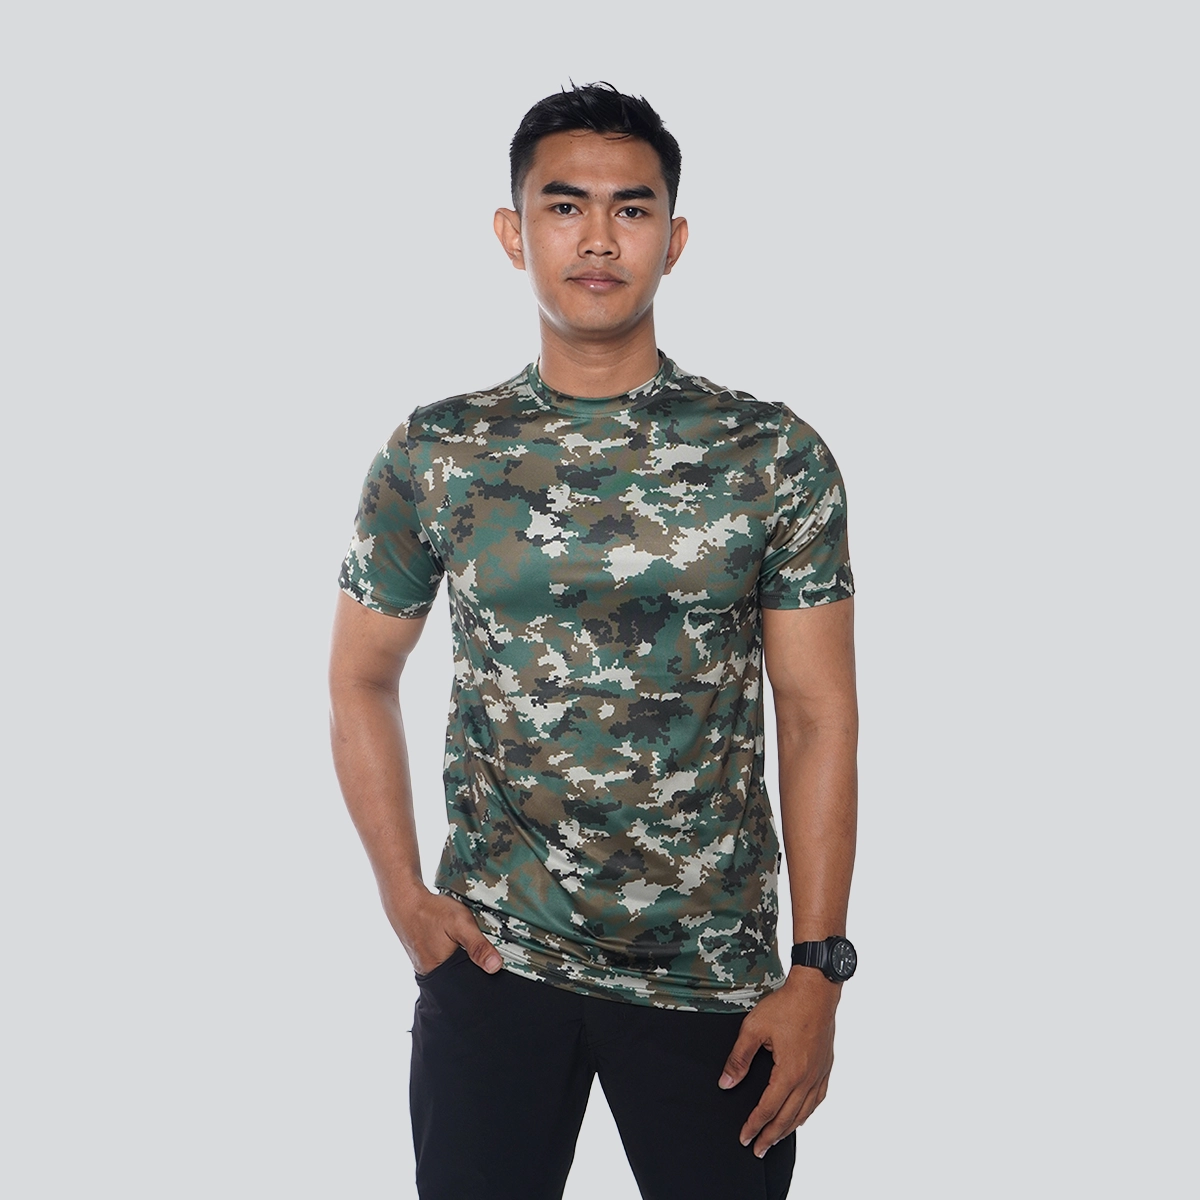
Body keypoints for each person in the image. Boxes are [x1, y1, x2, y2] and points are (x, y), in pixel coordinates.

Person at [329, 82, 858, 1200]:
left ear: (675, 237)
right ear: (513, 231)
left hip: (713, 978)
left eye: (632, 208)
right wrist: (404, 897)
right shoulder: (439, 453)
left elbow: (817, 714)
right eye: (565, 207)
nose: (599, 239)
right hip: (494, 958)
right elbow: (360, 678)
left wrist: (819, 969)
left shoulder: (769, 454)